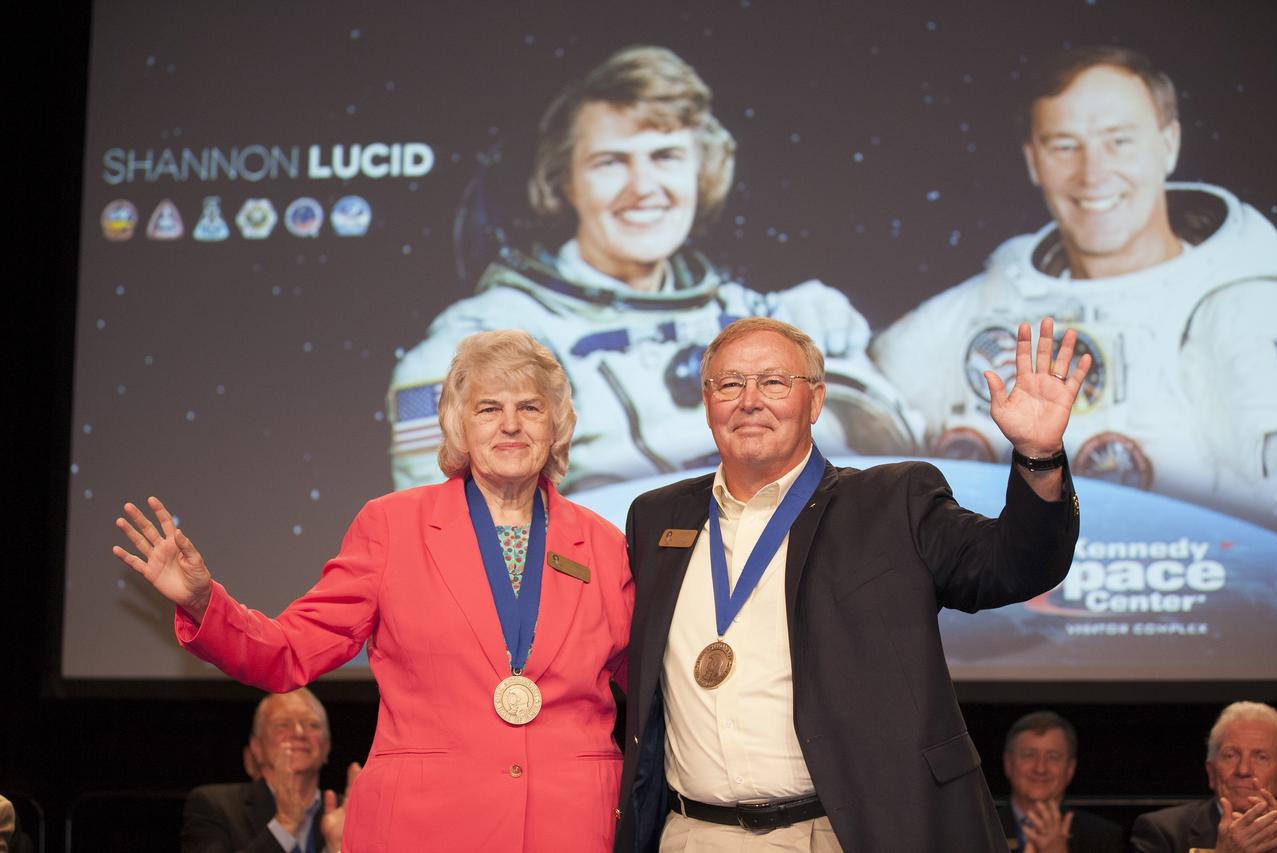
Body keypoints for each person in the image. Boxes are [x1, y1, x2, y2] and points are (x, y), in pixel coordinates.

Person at [114, 330, 634, 851]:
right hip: (424, 828)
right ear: (459, 424)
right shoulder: (392, 527)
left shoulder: (604, 545)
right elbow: (290, 650)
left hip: (572, 826)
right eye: (489, 408)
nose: (511, 424)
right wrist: (203, 602)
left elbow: (658, 680)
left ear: (557, 423)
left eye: (530, 407)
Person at [615, 316, 1086, 851]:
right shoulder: (656, 517)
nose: (749, 401)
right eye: (729, 384)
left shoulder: (892, 503)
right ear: (707, 403)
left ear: (816, 401)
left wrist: (1039, 457)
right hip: (691, 834)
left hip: (840, 834)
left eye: (774, 382)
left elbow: (1016, 566)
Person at [390, 45, 922, 495]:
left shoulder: (776, 320)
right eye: (611, 162)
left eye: (665, 157)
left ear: (701, 173)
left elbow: (892, 448)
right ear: (565, 182)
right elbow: (449, 525)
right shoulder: (482, 342)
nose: (643, 188)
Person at [871, 45, 1277, 530]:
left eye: (1119, 141)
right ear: (1034, 161)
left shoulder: (1248, 306)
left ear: (1168, 144)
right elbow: (861, 409)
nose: (1093, 174)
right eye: (1065, 146)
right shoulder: (983, 309)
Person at [181, 689, 359, 853]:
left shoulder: (348, 816)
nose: (299, 732)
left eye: (312, 725)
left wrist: (339, 848)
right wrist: (284, 825)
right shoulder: (215, 806)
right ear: (256, 747)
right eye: (283, 724)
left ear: (326, 748)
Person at [1131, 701, 1277, 853]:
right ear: (1211, 772)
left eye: (1261, 757)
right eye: (1230, 756)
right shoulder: (1163, 832)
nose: (1243, 770)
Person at [998, 711, 1124, 853]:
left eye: (1053, 757)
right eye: (1029, 755)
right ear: (1008, 763)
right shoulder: (981, 830)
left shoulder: (1103, 838)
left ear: (1070, 769)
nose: (1040, 768)